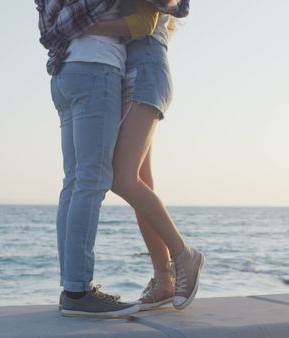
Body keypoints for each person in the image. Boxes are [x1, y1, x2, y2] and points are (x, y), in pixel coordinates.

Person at [36, 0, 190, 318]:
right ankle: (79, 290)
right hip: (97, 70)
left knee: (86, 180)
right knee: (97, 180)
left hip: (72, 73)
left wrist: (68, 30)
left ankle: (161, 274)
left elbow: (150, 21)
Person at [87, 0, 204, 311]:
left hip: (146, 73)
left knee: (122, 179)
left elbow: (146, 22)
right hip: (135, 74)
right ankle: (163, 279)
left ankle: (184, 256)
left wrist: (82, 27)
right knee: (140, 181)